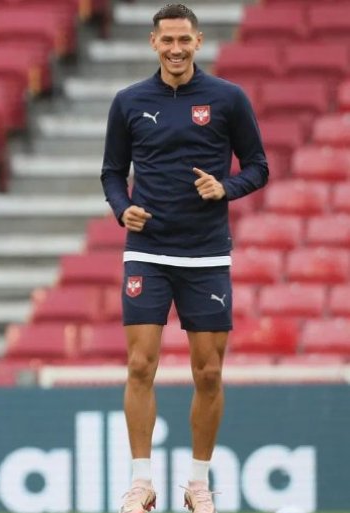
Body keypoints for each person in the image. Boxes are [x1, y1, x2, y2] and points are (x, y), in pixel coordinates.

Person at [100, 4, 268, 513]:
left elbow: (258, 166)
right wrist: (122, 208)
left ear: (199, 41)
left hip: (206, 254)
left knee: (209, 372)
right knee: (139, 365)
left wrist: (226, 187)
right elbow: (112, 172)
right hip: (147, 252)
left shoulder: (228, 99)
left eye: (184, 40)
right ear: (154, 43)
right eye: (167, 40)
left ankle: (198, 483)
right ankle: (141, 482)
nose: (176, 49)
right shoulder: (129, 101)